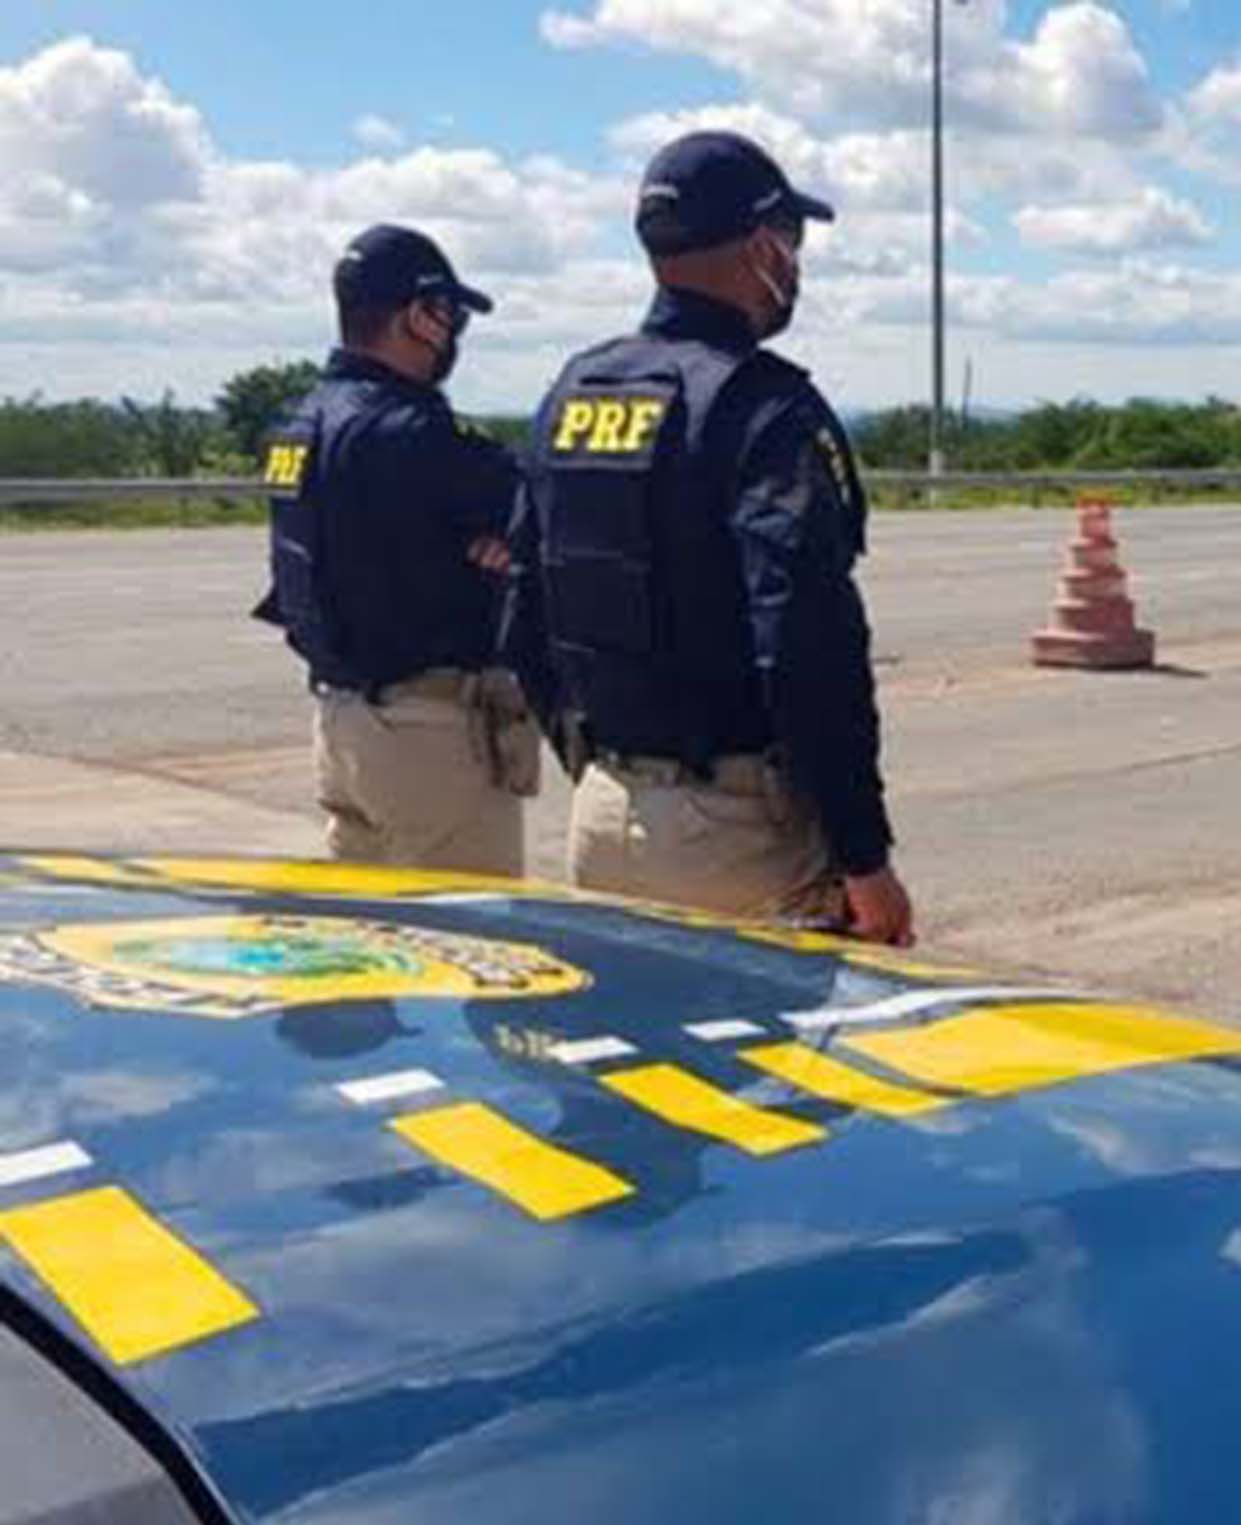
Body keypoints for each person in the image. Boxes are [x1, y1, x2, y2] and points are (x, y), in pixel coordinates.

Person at [503, 131, 913, 943]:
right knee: (765, 1069)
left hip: (603, 817)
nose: (794, 263)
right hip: (736, 839)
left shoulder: (576, 389)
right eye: (791, 240)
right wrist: (864, 859)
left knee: (637, 1067)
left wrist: (600, 768)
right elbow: (806, 646)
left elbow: (523, 613)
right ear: (763, 243)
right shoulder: (762, 408)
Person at [255, 224, 534, 874]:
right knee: (476, 950)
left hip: (341, 724)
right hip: (426, 739)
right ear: (421, 316)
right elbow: (537, 508)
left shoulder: (299, 424)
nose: (455, 332)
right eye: (451, 314)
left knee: (370, 949)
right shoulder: (409, 430)